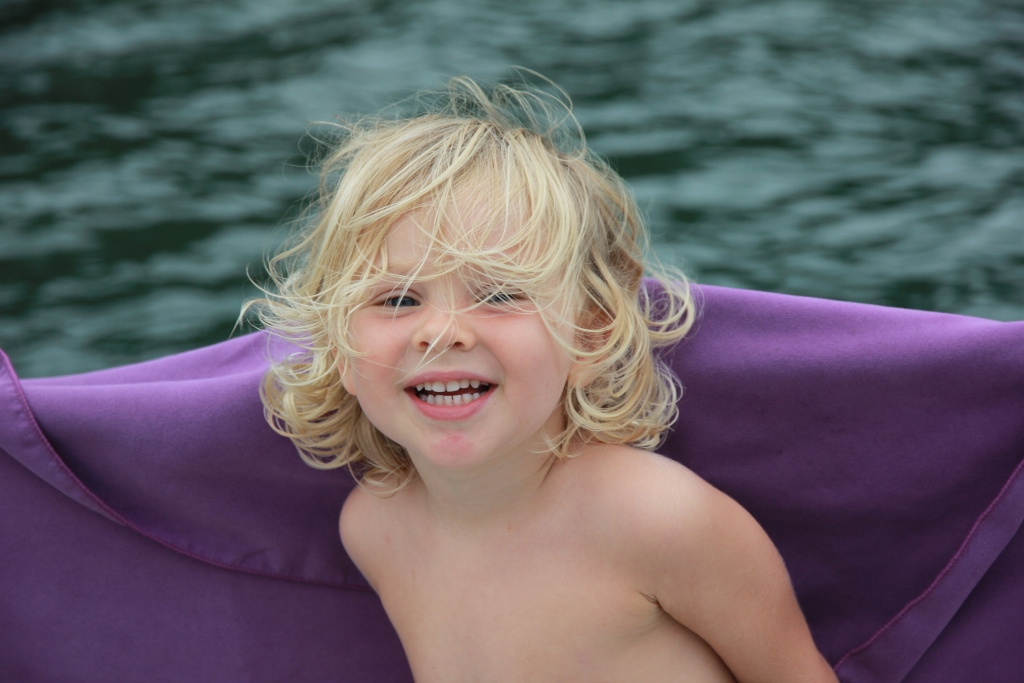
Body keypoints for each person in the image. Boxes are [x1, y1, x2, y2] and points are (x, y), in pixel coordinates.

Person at [251, 73, 838, 682]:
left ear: (589, 335)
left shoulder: (658, 520)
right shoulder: (374, 529)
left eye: (499, 294)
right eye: (397, 300)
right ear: (338, 349)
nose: (442, 332)